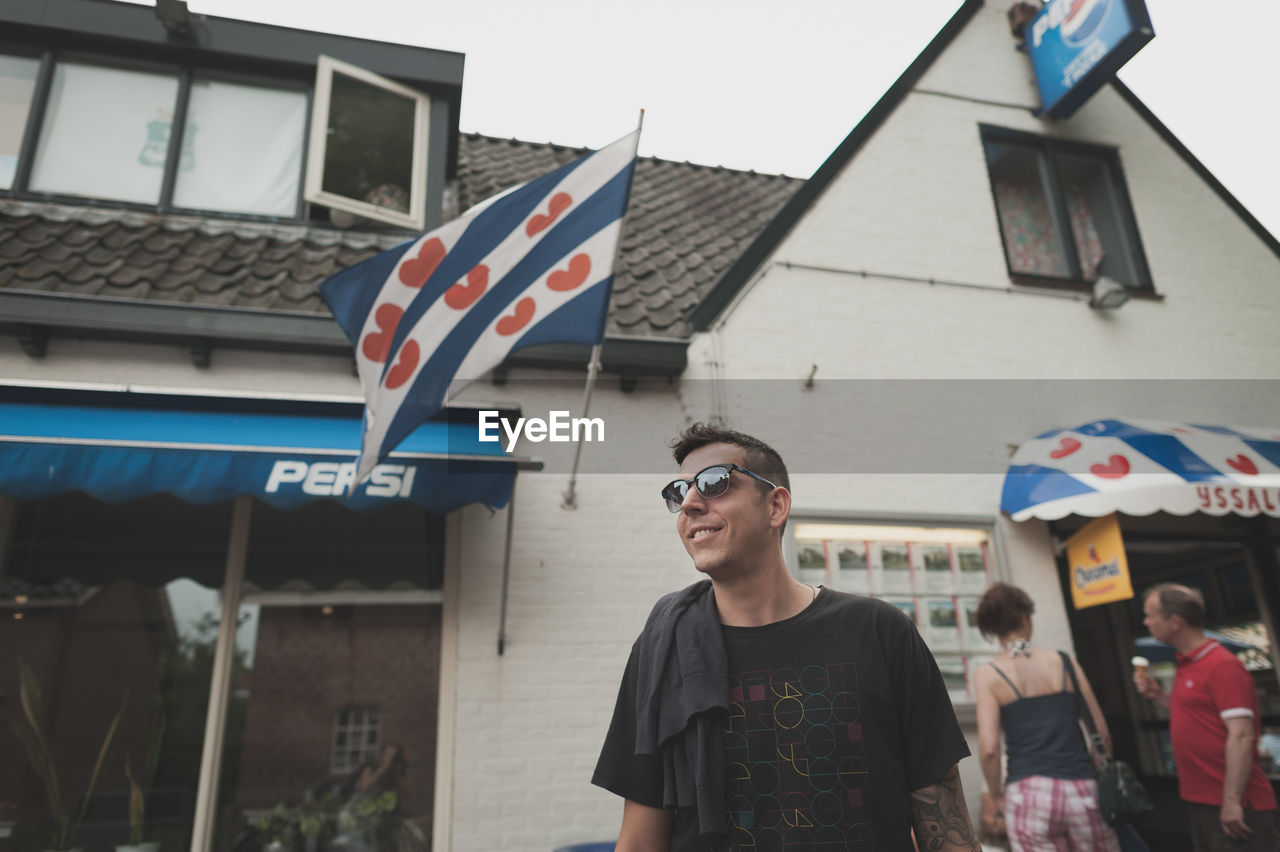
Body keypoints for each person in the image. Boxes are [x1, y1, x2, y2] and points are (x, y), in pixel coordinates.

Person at [592, 423, 979, 851]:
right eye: (678, 493)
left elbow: (943, 820)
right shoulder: (661, 648)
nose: (689, 505)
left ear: (775, 506)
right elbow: (640, 840)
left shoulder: (880, 632)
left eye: (714, 482)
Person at [973, 583, 1119, 852]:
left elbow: (990, 749)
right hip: (1081, 789)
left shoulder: (989, 674)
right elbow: (1102, 733)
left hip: (1029, 794)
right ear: (1025, 618)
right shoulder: (1065, 663)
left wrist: (996, 795)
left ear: (991, 628)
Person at [1133, 583, 1278, 851]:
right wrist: (1160, 697)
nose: (1146, 622)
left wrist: (1232, 800)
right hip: (1202, 798)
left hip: (1236, 802)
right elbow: (1201, 718)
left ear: (1175, 621)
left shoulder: (1221, 665)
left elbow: (1242, 735)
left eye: (1151, 615)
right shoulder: (1187, 663)